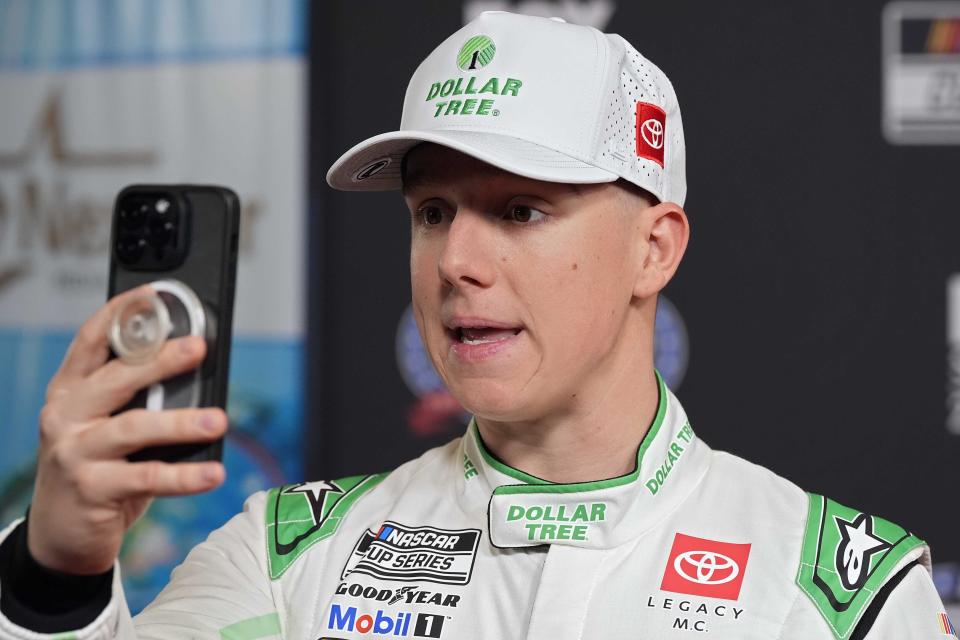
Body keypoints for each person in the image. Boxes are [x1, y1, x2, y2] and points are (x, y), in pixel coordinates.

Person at [0, 11, 950, 640]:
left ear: (655, 249)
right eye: (432, 211)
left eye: (521, 211)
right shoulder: (287, 554)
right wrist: (58, 573)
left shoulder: (840, 597)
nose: (456, 260)